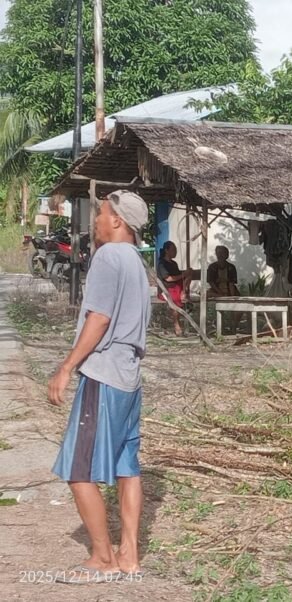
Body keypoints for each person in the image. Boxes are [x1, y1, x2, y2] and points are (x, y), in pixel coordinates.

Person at [49, 190, 151, 583]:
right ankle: (129, 554)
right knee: (127, 466)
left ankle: (102, 557)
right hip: (130, 376)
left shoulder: (108, 257)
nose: (95, 220)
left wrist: (66, 367)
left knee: (78, 469)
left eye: (101, 213)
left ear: (117, 221)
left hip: (105, 375)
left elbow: (99, 319)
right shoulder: (138, 263)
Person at [157, 240, 192, 336]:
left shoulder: (174, 264)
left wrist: (187, 274)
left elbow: (179, 277)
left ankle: (183, 292)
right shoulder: (161, 264)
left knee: (189, 275)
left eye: (176, 250)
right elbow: (168, 279)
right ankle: (176, 324)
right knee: (175, 301)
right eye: (173, 250)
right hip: (166, 290)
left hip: (177, 287)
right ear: (167, 250)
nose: (175, 252)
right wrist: (183, 274)